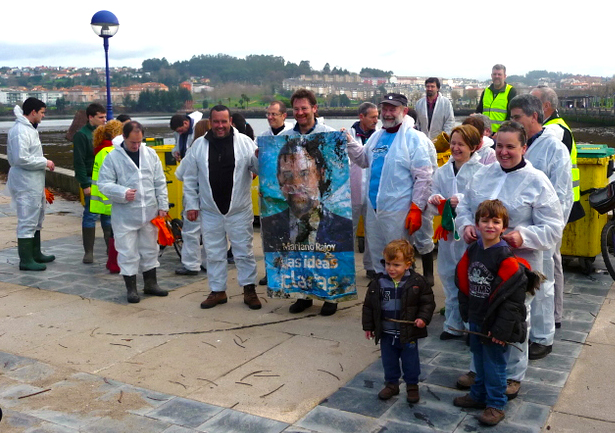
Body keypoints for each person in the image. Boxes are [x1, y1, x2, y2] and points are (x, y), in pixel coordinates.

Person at [454, 121, 564, 399]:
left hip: (517, 265)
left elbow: (553, 225)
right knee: (480, 313)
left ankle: (511, 374)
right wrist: (466, 224)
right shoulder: (482, 175)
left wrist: (523, 236)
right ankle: (478, 369)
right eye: (499, 146)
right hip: (483, 262)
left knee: (513, 318)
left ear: (524, 148)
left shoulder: (537, 181)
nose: (503, 152)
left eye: (511, 147)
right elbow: (466, 206)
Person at [453, 200, 530, 427]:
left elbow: (513, 302)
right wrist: (466, 312)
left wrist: (501, 330)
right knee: (478, 360)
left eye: (496, 222)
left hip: (495, 324)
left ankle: (496, 403)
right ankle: (478, 395)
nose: (489, 226)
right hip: (477, 318)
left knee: (495, 363)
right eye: (484, 220)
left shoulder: (504, 257)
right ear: (476, 224)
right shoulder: (473, 250)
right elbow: (464, 283)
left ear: (504, 227)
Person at [509, 94, 572, 360]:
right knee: (519, 285)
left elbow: (562, 194)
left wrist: (550, 231)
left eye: (517, 117)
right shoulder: (520, 145)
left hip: (542, 231)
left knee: (542, 284)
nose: (512, 122)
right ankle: (522, 330)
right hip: (516, 234)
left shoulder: (553, 147)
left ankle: (543, 338)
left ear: (534, 116)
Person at [347, 93, 434, 284]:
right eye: (384, 109)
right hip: (374, 209)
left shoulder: (414, 139)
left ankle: (403, 298)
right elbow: (363, 160)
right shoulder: (377, 136)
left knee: (399, 258)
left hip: (398, 210)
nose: (387, 113)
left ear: (403, 111)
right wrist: (349, 143)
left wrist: (416, 208)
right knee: (380, 257)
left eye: (392, 109)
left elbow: (424, 176)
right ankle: (382, 294)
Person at [181, 105, 261, 310]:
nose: (220, 126)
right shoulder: (198, 145)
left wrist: (261, 157)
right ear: (210, 122)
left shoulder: (245, 143)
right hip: (210, 211)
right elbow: (189, 178)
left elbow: (259, 169)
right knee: (214, 252)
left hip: (239, 210)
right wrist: (191, 205)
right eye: (216, 121)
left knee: (244, 252)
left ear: (230, 122)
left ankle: (249, 290)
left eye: (224, 121)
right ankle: (218, 291)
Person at [278, 88, 342, 316]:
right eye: (296, 109)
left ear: (314, 108)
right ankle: (303, 295)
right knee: (297, 250)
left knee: (326, 251)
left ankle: (330, 297)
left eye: (304, 108)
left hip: (321, 206)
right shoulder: (284, 137)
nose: (300, 113)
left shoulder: (329, 134)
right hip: (295, 210)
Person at [98, 121, 170, 303]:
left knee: (150, 248)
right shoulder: (113, 157)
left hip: (150, 212)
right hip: (125, 214)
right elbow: (103, 184)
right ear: (124, 137)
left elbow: (159, 181)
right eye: (132, 143)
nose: (136, 146)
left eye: (139, 142)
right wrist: (122, 192)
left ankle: (150, 284)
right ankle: (131, 288)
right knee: (127, 251)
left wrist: (163, 205)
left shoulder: (150, 154)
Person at [531, 85, 584, 330]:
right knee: (553, 258)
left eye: (533, 102)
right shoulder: (561, 126)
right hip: (561, 201)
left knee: (551, 259)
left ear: (545, 107)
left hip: (556, 205)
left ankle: (554, 314)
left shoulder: (553, 131)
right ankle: (554, 313)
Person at [362, 239, 435, 404]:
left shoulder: (417, 282)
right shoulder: (378, 283)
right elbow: (369, 306)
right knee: (389, 361)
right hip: (387, 332)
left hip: (407, 333)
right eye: (388, 264)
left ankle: (412, 386)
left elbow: (428, 303)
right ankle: (392, 384)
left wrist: (423, 318)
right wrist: (369, 326)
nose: (391, 269)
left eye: (396, 265)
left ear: (408, 264)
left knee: (410, 361)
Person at [428, 125, 484, 340]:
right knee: (448, 275)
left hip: (469, 236)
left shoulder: (481, 172)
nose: (455, 148)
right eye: (453, 143)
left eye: (461, 144)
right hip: (447, 235)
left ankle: (472, 326)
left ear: (473, 147)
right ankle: (453, 324)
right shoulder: (442, 171)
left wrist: (460, 200)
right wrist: (434, 201)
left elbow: (483, 202)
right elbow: (433, 196)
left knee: (470, 279)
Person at [6, 97, 55, 271]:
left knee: (36, 216)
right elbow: (21, 158)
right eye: (42, 112)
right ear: (33, 112)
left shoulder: (28, 129)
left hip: (33, 180)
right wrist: (45, 162)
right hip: (25, 181)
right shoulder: (21, 131)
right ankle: (26, 260)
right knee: (28, 218)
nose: (43, 116)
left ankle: (35, 253)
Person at [257, 101, 291, 286]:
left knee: (289, 235)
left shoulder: (292, 134)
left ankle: (288, 269)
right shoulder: (262, 137)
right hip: (269, 196)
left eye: (274, 114)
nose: (270, 117)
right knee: (269, 236)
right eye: (268, 114)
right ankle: (271, 271)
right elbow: (256, 167)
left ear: (284, 115)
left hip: (288, 195)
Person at [171, 111, 208, 277]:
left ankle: (192, 264)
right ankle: (209, 262)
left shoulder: (194, 149)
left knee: (191, 231)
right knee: (212, 232)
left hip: (195, 195)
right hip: (215, 198)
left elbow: (180, 174)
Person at [73, 103, 110, 264]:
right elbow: (79, 162)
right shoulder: (82, 135)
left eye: (104, 117)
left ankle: (111, 250)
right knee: (90, 215)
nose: (104, 120)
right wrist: (84, 184)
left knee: (108, 216)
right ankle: (88, 252)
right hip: (90, 178)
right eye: (100, 117)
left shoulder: (105, 133)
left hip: (106, 178)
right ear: (90, 117)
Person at [90, 120, 124, 274]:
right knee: (116, 231)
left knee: (112, 231)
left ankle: (113, 261)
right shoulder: (110, 152)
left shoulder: (101, 150)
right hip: (110, 199)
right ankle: (114, 263)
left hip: (102, 199)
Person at [349, 102, 379, 280]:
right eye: (373, 117)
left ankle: (371, 266)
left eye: (377, 116)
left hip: (372, 190)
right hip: (351, 191)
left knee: (372, 231)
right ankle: (345, 266)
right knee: (348, 231)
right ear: (362, 117)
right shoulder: (347, 136)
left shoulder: (379, 136)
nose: (377, 120)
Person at [476, 64, 517, 134]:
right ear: (491, 76)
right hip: (485, 133)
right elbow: (479, 110)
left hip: (502, 133)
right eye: (494, 74)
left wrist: (501, 131)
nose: (496, 76)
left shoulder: (511, 91)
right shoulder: (486, 91)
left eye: (499, 74)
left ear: (505, 76)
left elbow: (511, 115)